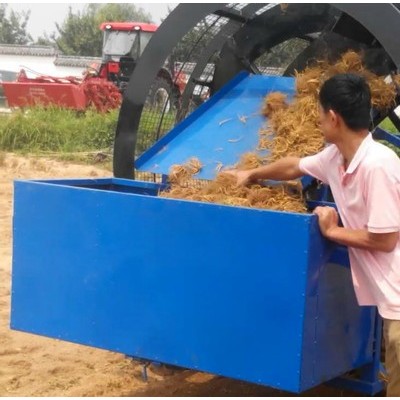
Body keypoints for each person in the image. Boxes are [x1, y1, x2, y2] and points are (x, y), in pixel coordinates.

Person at [227, 73, 400, 396]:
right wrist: (251, 173)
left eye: (320, 113)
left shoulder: (379, 166)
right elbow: (295, 166)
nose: (317, 120)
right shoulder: (337, 158)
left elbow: (385, 239)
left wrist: (333, 231)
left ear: (333, 118)